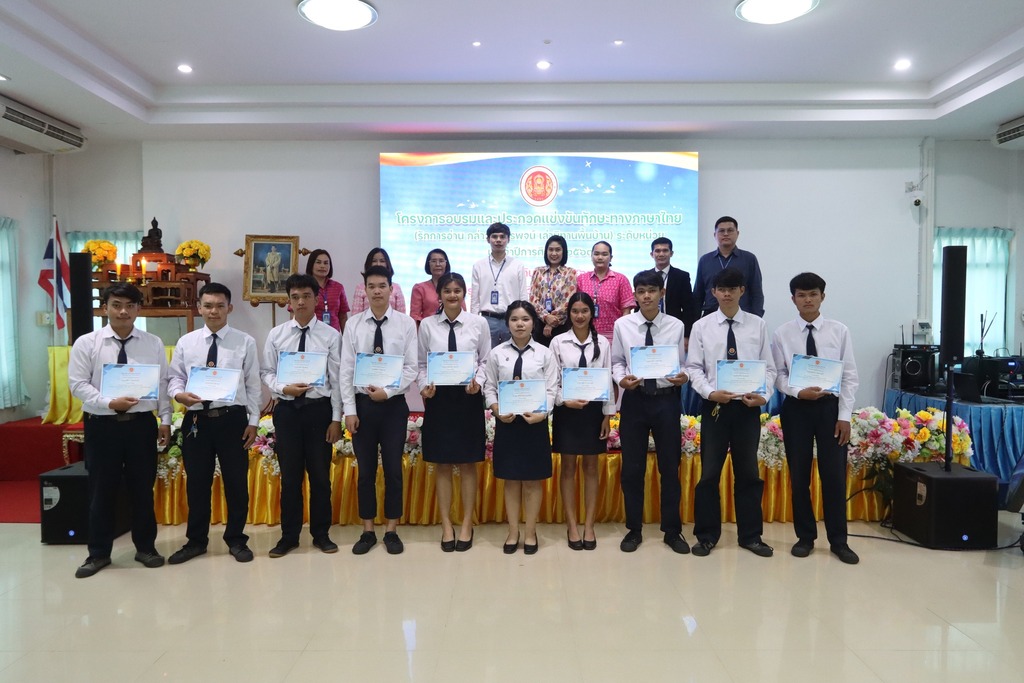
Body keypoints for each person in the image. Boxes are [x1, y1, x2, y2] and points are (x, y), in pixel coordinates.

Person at [68, 283, 171, 578]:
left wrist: (165, 419)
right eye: (116, 305)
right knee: (101, 491)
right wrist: (109, 402)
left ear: (138, 309)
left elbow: (162, 383)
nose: (123, 311)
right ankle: (98, 554)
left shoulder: (152, 343)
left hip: (141, 426)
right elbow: (78, 384)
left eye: (129, 305)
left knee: (142, 490)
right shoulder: (87, 343)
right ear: (105, 308)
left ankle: (146, 548)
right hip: (102, 426)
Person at [167, 282, 261, 564]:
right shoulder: (187, 342)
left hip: (232, 420)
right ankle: (196, 541)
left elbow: (253, 384)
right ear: (199, 308)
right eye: (208, 305)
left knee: (236, 483)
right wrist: (178, 394)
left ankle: (236, 539)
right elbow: (175, 377)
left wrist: (254, 421)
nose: (214, 311)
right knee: (197, 483)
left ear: (229, 308)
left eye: (220, 306)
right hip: (196, 419)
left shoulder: (245, 342)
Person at [685, 267, 776, 558]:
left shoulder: (757, 325)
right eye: (721, 289)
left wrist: (763, 396)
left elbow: (769, 368)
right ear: (713, 292)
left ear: (742, 291)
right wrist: (709, 392)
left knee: (748, 473)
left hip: (747, 408)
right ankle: (706, 536)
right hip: (715, 406)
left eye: (732, 289)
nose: (726, 294)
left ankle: (751, 536)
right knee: (709, 474)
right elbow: (693, 368)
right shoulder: (702, 326)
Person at [772, 272, 860, 564]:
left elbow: (849, 376)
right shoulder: (782, 333)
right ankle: (805, 537)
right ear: (793, 299)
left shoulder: (839, 331)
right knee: (799, 476)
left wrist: (844, 416)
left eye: (813, 294)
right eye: (801, 295)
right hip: (797, 409)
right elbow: (779, 375)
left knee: (833, 476)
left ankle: (839, 541)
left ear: (823, 296)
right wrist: (797, 392)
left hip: (830, 410)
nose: (807, 300)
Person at [261, 274, 343, 558]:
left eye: (306, 296)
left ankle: (321, 534)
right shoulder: (277, 335)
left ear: (316, 298)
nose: (300, 302)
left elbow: (336, 380)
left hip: (319, 411)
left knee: (320, 477)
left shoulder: (331, 335)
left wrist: (336, 418)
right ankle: (289, 537)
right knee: (290, 478)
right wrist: (282, 388)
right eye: (295, 297)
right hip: (287, 412)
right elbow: (266, 372)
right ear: (288, 301)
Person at [610, 271, 691, 554]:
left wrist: (683, 376)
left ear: (662, 293)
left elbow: (683, 364)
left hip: (666, 401)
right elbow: (617, 362)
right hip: (635, 400)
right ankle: (634, 529)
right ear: (634, 294)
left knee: (669, 467)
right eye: (641, 291)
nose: (646, 296)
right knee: (632, 468)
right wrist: (621, 379)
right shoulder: (623, 325)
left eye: (652, 291)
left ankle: (672, 531)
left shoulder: (676, 325)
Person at [341, 265, 419, 555]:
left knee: (393, 469)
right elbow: (346, 369)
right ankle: (368, 530)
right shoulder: (353, 324)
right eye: (371, 286)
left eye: (382, 286)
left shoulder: (405, 324)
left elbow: (411, 367)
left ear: (391, 289)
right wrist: (350, 410)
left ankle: (391, 530)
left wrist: (388, 391)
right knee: (365, 471)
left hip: (393, 405)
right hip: (362, 406)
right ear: (365, 290)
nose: (377, 291)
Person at [417, 272, 491, 551]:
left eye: (457, 290)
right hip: (439, 401)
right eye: (447, 290)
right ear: (439, 295)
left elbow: (486, 360)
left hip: (468, 399)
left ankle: (467, 523)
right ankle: (446, 524)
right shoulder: (427, 325)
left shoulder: (478, 323)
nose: (452, 295)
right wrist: (424, 386)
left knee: (469, 463)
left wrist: (478, 382)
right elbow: (421, 364)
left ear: (464, 294)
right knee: (443, 464)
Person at [483, 301, 558, 555]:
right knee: (512, 480)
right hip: (507, 424)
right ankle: (513, 531)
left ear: (533, 323)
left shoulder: (544, 354)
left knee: (533, 481)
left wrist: (542, 414)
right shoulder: (497, 353)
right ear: (507, 323)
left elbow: (552, 389)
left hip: (534, 424)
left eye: (525, 319)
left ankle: (530, 532)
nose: (520, 324)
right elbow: (489, 387)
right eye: (514, 319)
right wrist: (495, 409)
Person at [551, 292, 613, 551]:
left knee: (590, 468)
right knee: (567, 468)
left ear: (592, 313)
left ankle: (589, 525)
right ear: (569, 314)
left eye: (584, 311)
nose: (579, 316)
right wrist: (564, 400)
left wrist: (607, 415)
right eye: (575, 311)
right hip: (567, 410)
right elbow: (552, 381)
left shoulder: (603, 343)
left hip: (593, 411)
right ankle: (572, 525)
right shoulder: (558, 342)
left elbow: (607, 378)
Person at [470, 222, 530, 348]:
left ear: (508, 239)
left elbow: (523, 295)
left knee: (512, 354)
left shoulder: (517, 265)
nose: (498, 240)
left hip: (512, 319)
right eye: (494, 236)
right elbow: (474, 299)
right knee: (487, 356)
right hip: (487, 320)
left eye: (502, 237)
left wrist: (524, 319)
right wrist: (474, 322)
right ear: (488, 239)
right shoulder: (479, 266)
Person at [693, 216, 764, 317]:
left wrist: (756, 317)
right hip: (711, 316)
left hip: (743, 316)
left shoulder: (749, 259)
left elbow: (756, 292)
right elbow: (698, 294)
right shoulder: (705, 260)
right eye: (721, 231)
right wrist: (695, 320)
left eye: (730, 230)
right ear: (715, 235)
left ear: (737, 233)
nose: (726, 234)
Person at [576, 240, 634, 342]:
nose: (600, 257)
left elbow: (626, 311)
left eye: (604, 254)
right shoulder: (581, 279)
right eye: (596, 254)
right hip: (586, 334)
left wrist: (623, 334)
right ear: (591, 256)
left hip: (613, 335)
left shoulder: (621, 279)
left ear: (611, 258)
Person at [529, 234, 577, 346]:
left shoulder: (570, 272)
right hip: (539, 324)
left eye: (558, 250)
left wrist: (552, 322)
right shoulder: (538, 271)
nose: (554, 253)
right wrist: (546, 317)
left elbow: (568, 301)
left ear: (564, 252)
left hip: (561, 325)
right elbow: (532, 298)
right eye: (550, 249)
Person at [649, 236, 698, 342]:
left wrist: (686, 335)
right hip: (649, 327)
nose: (661, 254)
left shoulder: (682, 276)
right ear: (652, 254)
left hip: (673, 328)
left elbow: (688, 308)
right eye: (657, 251)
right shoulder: (646, 277)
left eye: (665, 250)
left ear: (671, 253)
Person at [410, 248, 464, 324]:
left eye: (441, 261)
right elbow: (415, 316)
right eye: (434, 261)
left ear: (446, 264)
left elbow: (463, 311)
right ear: (428, 264)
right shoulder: (420, 288)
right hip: (428, 329)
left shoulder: (455, 285)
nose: (438, 264)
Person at [306, 248, 350, 333]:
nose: (322, 266)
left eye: (326, 263)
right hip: (311, 334)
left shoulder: (338, 287)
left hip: (334, 335)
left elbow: (343, 316)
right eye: (318, 262)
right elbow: (295, 314)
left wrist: (346, 337)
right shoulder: (303, 287)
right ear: (311, 265)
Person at [351, 248, 406, 313]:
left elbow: (401, 315)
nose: (378, 264)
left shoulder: (396, 287)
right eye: (374, 261)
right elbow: (356, 315)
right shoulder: (360, 288)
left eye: (382, 261)